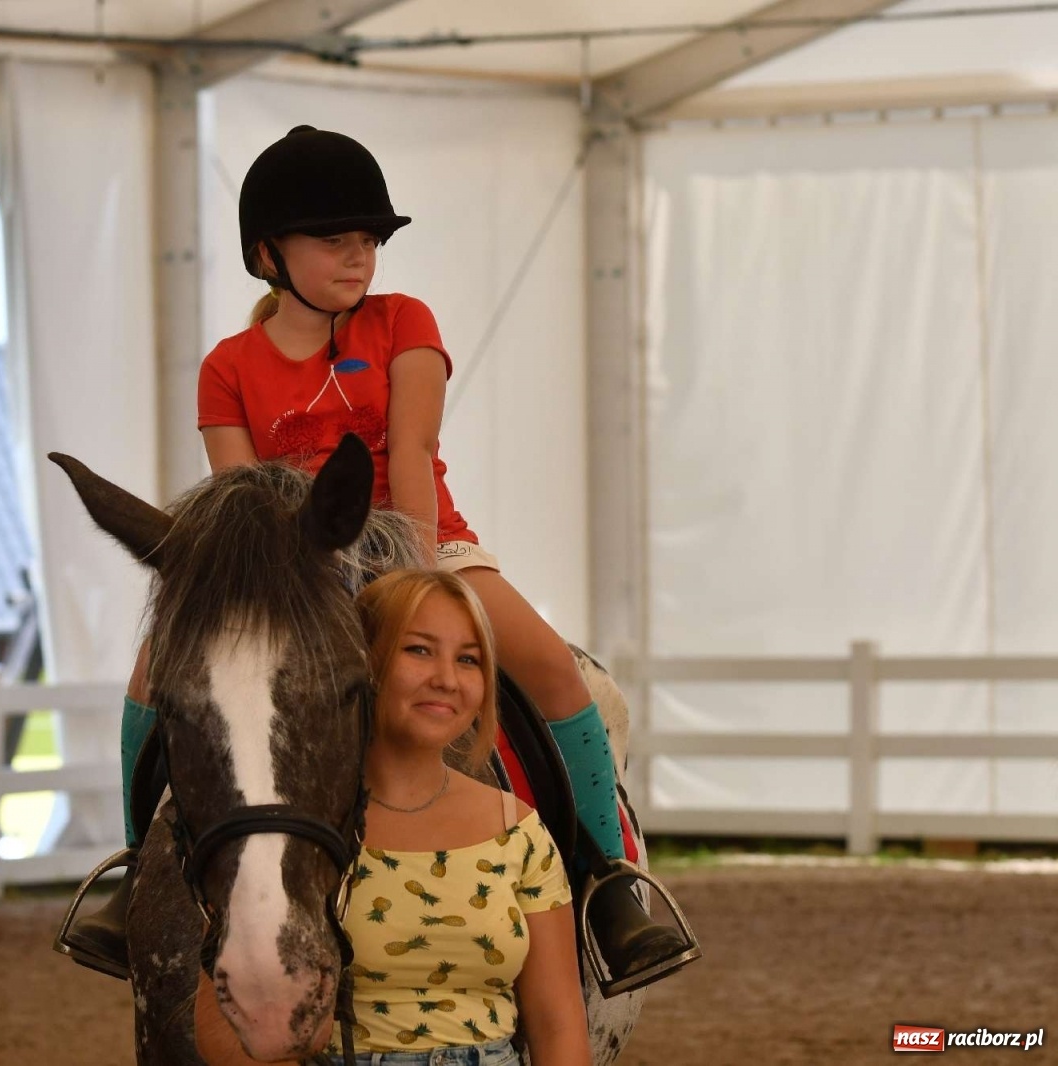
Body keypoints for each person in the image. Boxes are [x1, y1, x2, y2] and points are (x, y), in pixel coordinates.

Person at [59, 124, 691, 990]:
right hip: (294, 571)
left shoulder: (404, 324)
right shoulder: (226, 368)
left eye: (368, 240)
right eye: (334, 240)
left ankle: (612, 885)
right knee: (150, 675)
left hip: (421, 541)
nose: (359, 257)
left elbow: (414, 450)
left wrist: (423, 581)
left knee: (550, 667)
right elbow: (246, 508)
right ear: (268, 254)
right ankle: (138, 873)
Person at [194, 570, 590, 1066]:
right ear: (365, 662)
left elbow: (558, 1026)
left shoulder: (519, 831)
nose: (446, 679)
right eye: (419, 650)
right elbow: (224, 1032)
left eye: (468, 659)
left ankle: (613, 876)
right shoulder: (291, 833)